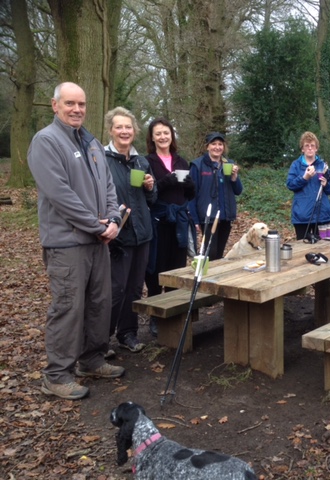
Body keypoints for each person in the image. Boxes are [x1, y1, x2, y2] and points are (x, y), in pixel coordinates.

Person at [27, 82, 125, 400]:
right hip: (67, 242)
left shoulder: (92, 142)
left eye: (81, 104)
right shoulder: (46, 141)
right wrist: (95, 226)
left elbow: (108, 186)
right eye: (70, 103)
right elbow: (60, 195)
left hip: (98, 241)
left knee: (99, 303)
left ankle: (92, 359)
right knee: (69, 307)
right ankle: (56, 375)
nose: (77, 109)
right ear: (55, 105)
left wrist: (112, 220)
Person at [104, 107, 157, 353]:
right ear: (111, 130)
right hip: (117, 236)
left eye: (128, 127)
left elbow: (152, 199)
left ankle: (128, 334)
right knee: (115, 289)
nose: (124, 131)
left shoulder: (141, 161)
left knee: (136, 288)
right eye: (119, 127)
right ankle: (101, 341)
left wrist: (150, 186)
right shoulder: (102, 160)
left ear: (134, 131)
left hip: (142, 233)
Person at [145, 118, 196, 336]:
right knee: (156, 268)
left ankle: (174, 312)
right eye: (158, 134)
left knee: (176, 267)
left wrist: (189, 184)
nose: (163, 137)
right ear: (152, 138)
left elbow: (190, 195)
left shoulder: (182, 162)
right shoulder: (146, 162)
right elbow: (149, 194)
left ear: (171, 136)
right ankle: (156, 316)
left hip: (180, 221)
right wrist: (167, 180)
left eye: (166, 133)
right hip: (159, 220)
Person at [188, 132, 243, 260]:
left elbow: (238, 191)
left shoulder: (228, 163)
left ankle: (215, 278)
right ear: (207, 146)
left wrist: (235, 177)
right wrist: (194, 219)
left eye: (220, 144)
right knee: (209, 254)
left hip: (225, 216)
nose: (217, 147)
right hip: (208, 217)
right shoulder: (198, 165)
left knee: (219, 254)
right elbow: (191, 194)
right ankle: (205, 277)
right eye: (213, 144)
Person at [286, 131, 330, 240]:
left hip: (323, 215)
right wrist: (304, 178)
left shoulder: (323, 166)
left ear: (316, 148)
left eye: (312, 145)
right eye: (306, 146)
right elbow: (290, 185)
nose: (310, 148)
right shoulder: (296, 165)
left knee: (324, 248)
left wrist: (326, 184)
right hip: (302, 216)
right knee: (303, 250)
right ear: (302, 149)